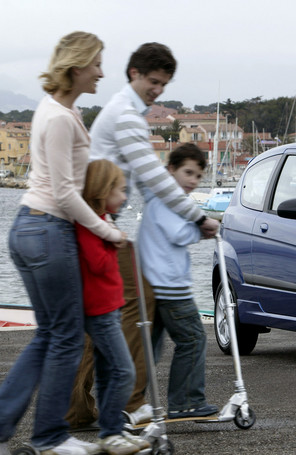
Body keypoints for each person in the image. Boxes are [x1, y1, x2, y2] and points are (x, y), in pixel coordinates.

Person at [66, 42, 219, 428]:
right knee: (136, 309)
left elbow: (146, 181)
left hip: (102, 222)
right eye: (153, 82)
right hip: (101, 223)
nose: (157, 91)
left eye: (163, 85)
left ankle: (80, 406)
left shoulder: (123, 111)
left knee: (104, 318)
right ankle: (129, 404)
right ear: (133, 72)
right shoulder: (126, 116)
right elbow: (155, 177)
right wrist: (198, 218)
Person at [0, 32, 124, 455]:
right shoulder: (56, 117)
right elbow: (66, 193)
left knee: (51, 334)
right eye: (96, 65)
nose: (101, 73)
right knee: (68, 336)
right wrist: (107, 231)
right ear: (76, 67)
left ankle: (7, 425)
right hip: (47, 230)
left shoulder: (59, 112)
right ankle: (50, 437)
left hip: (32, 230)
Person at [76, 160, 150, 455]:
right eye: (120, 190)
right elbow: (97, 263)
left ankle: (112, 432)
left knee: (112, 372)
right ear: (103, 192)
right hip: (100, 311)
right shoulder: (93, 226)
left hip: (110, 308)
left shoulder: (102, 220)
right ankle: (112, 432)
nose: (124, 196)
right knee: (122, 371)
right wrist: (114, 239)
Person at [139, 144, 217, 418]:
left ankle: (133, 404)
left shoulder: (158, 199)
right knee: (193, 338)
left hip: (157, 283)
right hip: (169, 286)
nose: (193, 181)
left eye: (197, 176)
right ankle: (186, 401)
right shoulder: (164, 200)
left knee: (151, 347)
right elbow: (178, 234)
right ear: (170, 170)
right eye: (188, 172)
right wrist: (202, 229)